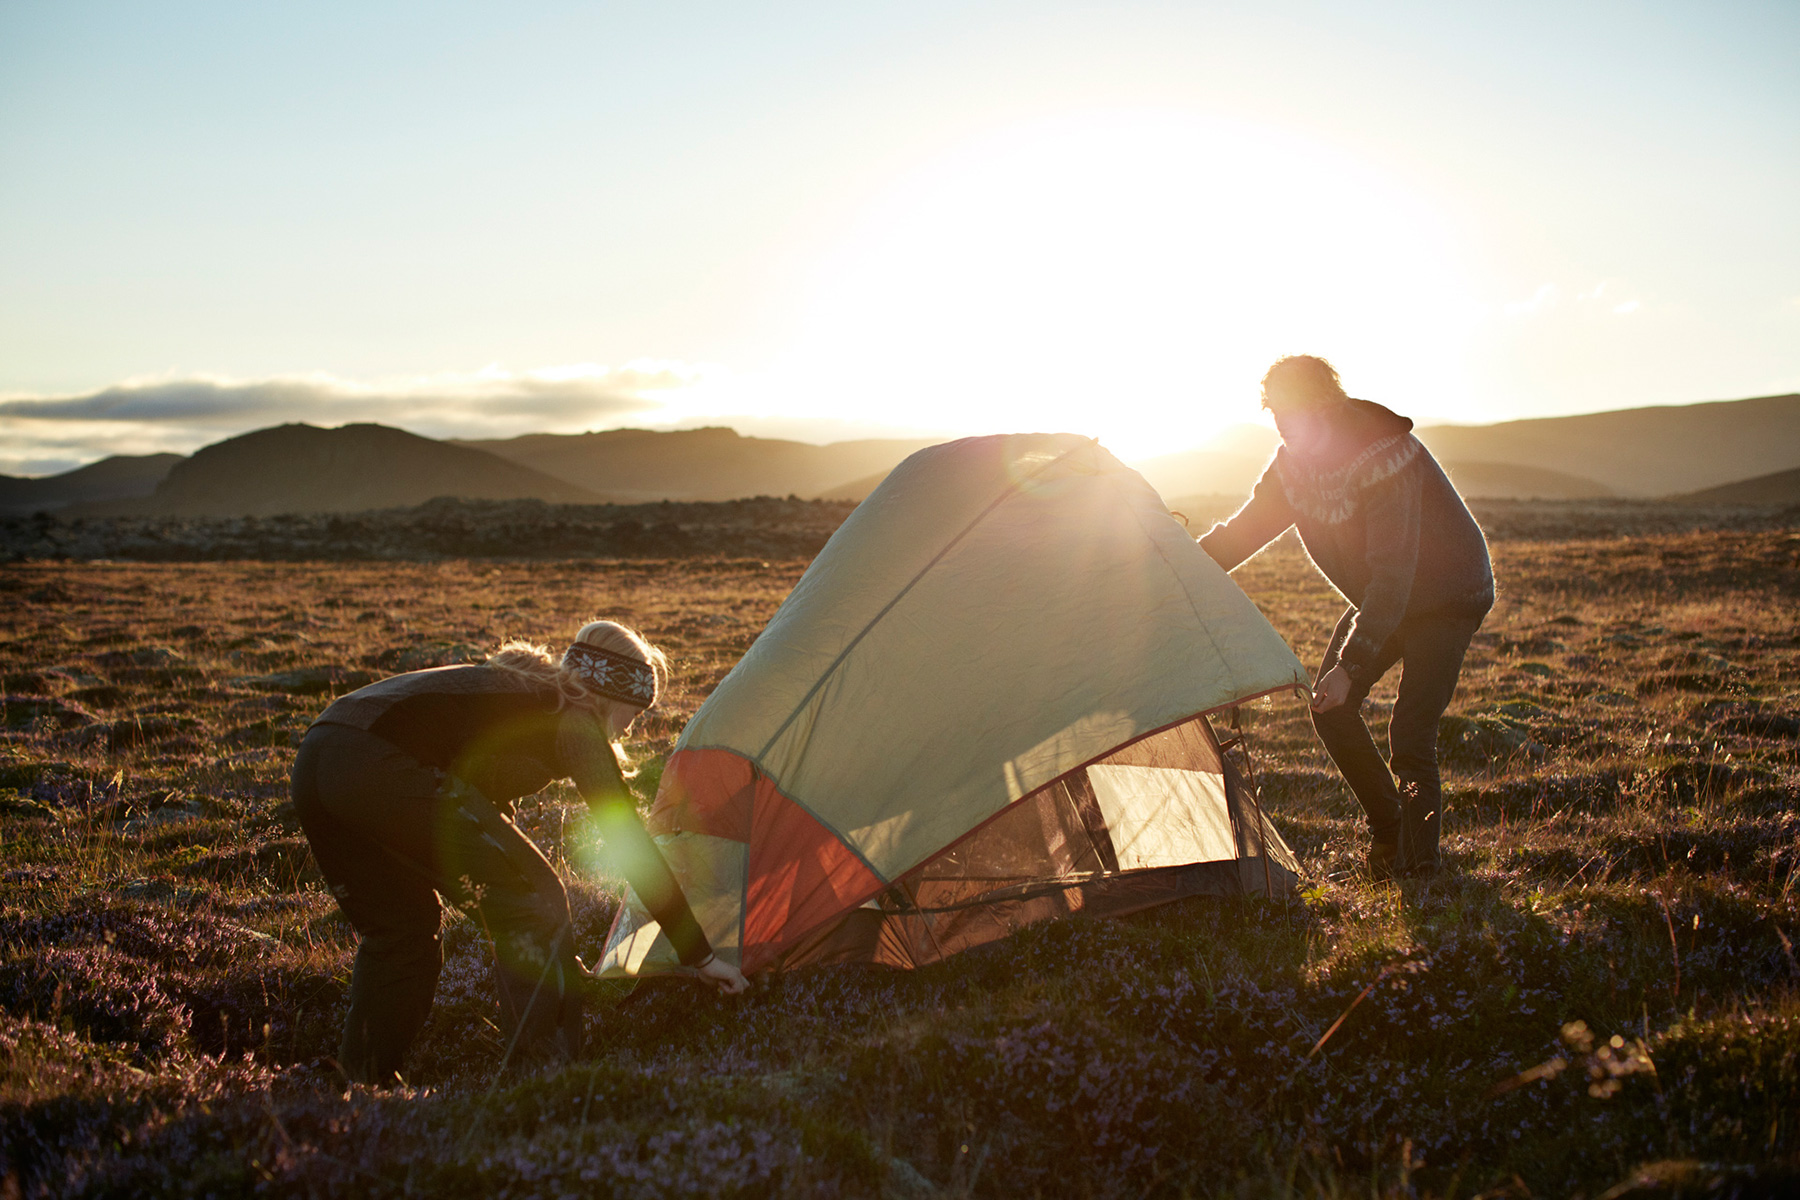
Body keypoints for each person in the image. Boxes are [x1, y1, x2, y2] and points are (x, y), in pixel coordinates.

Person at [291, 620, 747, 1086]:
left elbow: (467, 778)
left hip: (318, 758)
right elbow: (630, 845)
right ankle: (542, 1081)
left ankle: (358, 1085)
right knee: (537, 904)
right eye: (635, 709)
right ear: (611, 695)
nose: (634, 724)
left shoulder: (521, 693)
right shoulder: (574, 718)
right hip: (370, 761)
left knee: (403, 933)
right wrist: (700, 955)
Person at [1198, 356, 1494, 879]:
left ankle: (1421, 870)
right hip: (1389, 598)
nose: (1286, 430)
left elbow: (1394, 571)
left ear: (1324, 407)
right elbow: (1243, 532)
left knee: (1411, 731)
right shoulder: (1290, 466)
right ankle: (1391, 830)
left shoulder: (1384, 456)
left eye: (1295, 416)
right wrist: (1177, 566)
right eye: (1277, 419)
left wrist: (1351, 664)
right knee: (1330, 710)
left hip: (1448, 594)